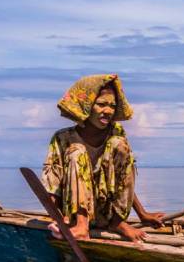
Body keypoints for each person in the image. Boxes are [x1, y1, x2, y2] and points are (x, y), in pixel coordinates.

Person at [41, 74, 163, 243]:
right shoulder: (63, 138)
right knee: (77, 151)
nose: (108, 111)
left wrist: (142, 214)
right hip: (75, 215)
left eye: (112, 106)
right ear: (87, 107)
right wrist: (58, 217)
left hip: (107, 214)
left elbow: (122, 177)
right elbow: (52, 187)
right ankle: (82, 227)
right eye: (101, 104)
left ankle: (117, 223)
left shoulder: (116, 132)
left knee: (119, 144)